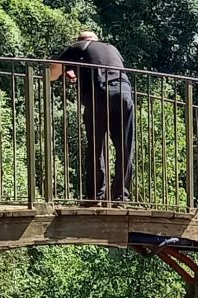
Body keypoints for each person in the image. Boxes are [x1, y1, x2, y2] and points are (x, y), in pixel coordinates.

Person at [48, 31, 136, 206]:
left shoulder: (79, 47)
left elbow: (52, 73)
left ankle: (95, 195)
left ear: (81, 40)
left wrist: (63, 71)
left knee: (96, 147)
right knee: (125, 147)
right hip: (124, 94)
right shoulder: (111, 48)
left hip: (99, 95)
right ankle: (120, 197)